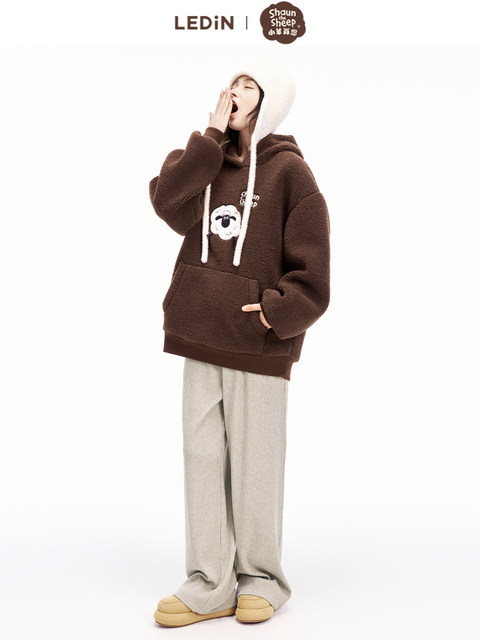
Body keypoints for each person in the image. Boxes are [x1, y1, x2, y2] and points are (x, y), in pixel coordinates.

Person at [148, 59, 331, 627]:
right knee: (202, 459)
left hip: (257, 341)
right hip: (198, 332)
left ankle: (263, 578)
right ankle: (209, 581)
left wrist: (277, 312)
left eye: (248, 85)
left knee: (256, 463)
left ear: (269, 102)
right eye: (232, 82)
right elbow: (166, 201)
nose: (235, 90)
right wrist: (209, 138)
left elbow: (314, 272)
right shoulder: (206, 160)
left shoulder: (290, 173)